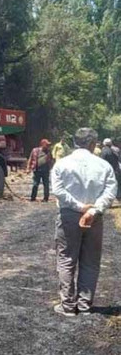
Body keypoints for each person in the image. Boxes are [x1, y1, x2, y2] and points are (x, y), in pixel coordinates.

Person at [50, 128, 117, 316]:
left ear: (74, 142)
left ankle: (68, 306)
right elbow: (110, 191)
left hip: (69, 216)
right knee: (90, 261)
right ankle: (85, 305)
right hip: (94, 218)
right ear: (92, 144)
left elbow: (59, 191)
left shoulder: (62, 164)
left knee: (66, 259)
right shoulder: (103, 166)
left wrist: (80, 207)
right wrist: (94, 210)